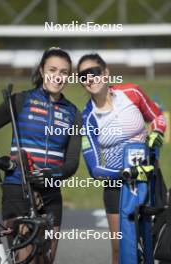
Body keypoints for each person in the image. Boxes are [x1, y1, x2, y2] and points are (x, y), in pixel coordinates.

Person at [77, 53, 166, 264]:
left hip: (150, 179)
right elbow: (95, 169)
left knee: (157, 241)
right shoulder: (86, 117)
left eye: (94, 72)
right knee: (120, 249)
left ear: (106, 73)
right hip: (117, 186)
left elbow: (157, 117)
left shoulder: (132, 92)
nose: (89, 78)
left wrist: (158, 133)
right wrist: (127, 174)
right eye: (83, 76)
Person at [0, 47, 82, 263]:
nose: (58, 76)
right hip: (17, 189)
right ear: (42, 71)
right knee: (27, 259)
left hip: (51, 195)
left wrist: (49, 175)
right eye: (52, 69)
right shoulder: (20, 100)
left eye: (63, 72)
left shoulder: (73, 113)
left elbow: (71, 163)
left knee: (46, 260)